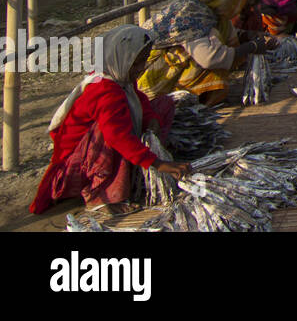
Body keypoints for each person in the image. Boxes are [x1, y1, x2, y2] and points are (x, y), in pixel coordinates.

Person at [30, 25, 192, 215]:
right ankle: (100, 197)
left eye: (143, 62)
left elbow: (139, 98)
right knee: (109, 134)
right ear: (120, 58)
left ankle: (138, 160)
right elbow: (117, 136)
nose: (141, 69)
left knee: (163, 104)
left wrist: (151, 119)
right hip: (77, 168)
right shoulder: (105, 90)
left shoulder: (121, 79)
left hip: (98, 152)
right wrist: (157, 164)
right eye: (137, 63)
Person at [139, 0, 270, 105]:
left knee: (220, 34)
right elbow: (210, 58)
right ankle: (189, 98)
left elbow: (225, 31)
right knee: (215, 55)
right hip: (150, 76)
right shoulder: (194, 16)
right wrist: (251, 47)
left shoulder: (206, 5)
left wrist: (247, 35)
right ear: (228, 0)